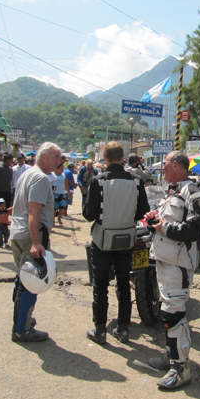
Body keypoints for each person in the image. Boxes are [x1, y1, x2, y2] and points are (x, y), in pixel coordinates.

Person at [145, 150, 200, 390]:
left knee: (174, 313)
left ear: (175, 165)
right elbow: (169, 222)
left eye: (164, 164)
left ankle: (181, 368)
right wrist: (154, 220)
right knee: (167, 310)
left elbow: (197, 228)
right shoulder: (173, 191)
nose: (161, 169)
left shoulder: (194, 193)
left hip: (178, 264)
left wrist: (165, 229)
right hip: (165, 260)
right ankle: (171, 356)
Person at [83, 142, 150, 345]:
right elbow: (142, 212)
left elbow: (89, 215)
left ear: (104, 157)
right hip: (127, 238)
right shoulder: (136, 181)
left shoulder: (97, 181)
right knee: (123, 283)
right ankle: (123, 329)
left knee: (100, 285)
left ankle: (100, 329)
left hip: (102, 239)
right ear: (123, 157)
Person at [9, 142, 61, 342]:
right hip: (31, 235)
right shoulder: (40, 178)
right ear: (43, 157)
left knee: (23, 278)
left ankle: (22, 321)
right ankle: (22, 328)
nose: (59, 161)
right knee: (31, 282)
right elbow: (33, 211)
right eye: (56, 157)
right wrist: (36, 242)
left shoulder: (27, 174)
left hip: (19, 232)